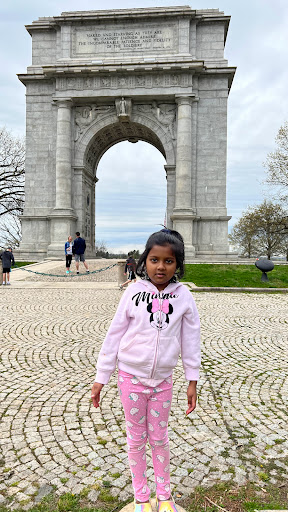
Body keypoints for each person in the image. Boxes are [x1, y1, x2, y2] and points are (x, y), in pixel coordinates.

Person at [91, 229, 201, 512]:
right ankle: (141, 497)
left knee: (160, 438)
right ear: (144, 261)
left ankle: (164, 496)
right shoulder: (132, 292)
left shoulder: (185, 296)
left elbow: (191, 340)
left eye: (168, 261)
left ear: (178, 264)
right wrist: (101, 377)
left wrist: (193, 380)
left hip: (163, 381)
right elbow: (113, 334)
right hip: (131, 378)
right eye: (154, 259)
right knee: (136, 440)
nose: (160, 267)